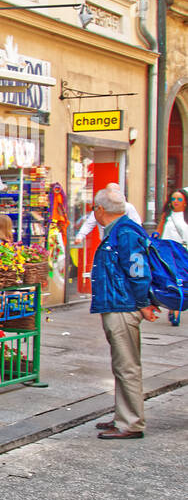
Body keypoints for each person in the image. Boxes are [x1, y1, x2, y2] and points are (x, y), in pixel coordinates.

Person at [89, 186, 157, 440]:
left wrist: (142, 303)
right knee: (122, 364)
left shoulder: (125, 232)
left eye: (94, 208)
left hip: (123, 306)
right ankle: (123, 415)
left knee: (127, 365)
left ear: (100, 209)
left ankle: (131, 423)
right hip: (119, 304)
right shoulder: (120, 230)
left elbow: (138, 270)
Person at [75, 183, 142, 241]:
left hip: (123, 239)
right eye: (109, 191)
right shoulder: (99, 207)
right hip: (106, 240)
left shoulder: (127, 207)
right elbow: (90, 223)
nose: (113, 194)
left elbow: (136, 223)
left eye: (115, 191)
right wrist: (80, 235)